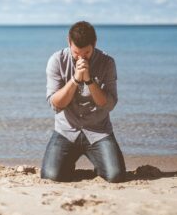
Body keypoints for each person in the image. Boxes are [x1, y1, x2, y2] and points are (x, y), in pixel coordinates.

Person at [40, 21, 126, 183]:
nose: (81, 57)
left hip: (98, 131)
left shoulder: (107, 62)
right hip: (66, 131)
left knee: (116, 176)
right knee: (50, 177)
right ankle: (66, 165)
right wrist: (75, 79)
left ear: (94, 44)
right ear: (69, 42)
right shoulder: (57, 60)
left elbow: (108, 105)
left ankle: (99, 164)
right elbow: (55, 104)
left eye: (86, 53)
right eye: (76, 53)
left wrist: (89, 80)